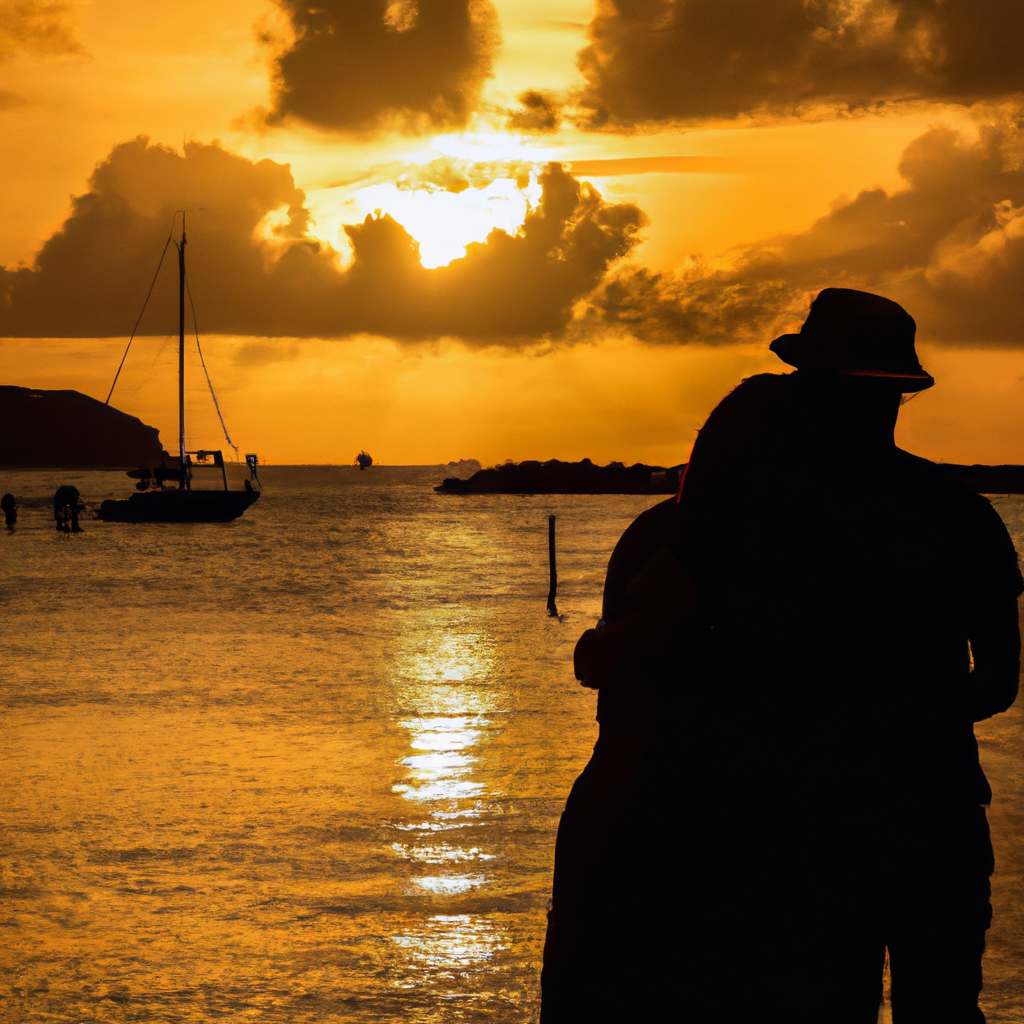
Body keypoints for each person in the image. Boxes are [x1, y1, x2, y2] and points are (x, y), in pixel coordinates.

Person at [554, 288, 1022, 1022]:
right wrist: (909, 718)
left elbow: (624, 656)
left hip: (810, 832)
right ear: (898, 396)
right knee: (944, 1006)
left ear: (815, 387)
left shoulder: (740, 520)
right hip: (934, 816)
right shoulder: (959, 511)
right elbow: (998, 680)